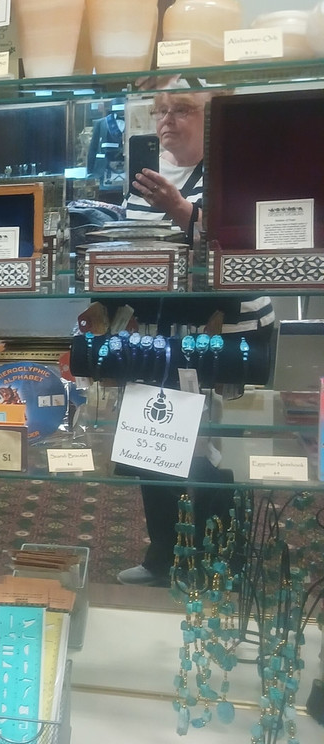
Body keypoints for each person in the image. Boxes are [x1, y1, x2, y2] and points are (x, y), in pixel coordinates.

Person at [116, 90, 273, 586]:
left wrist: (182, 210)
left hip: (227, 333)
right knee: (154, 439)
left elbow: (249, 246)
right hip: (161, 335)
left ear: (212, 118)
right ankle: (164, 553)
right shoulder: (142, 179)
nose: (167, 119)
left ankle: (223, 561)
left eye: (182, 108)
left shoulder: (235, 173)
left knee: (218, 451)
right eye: (161, 109)